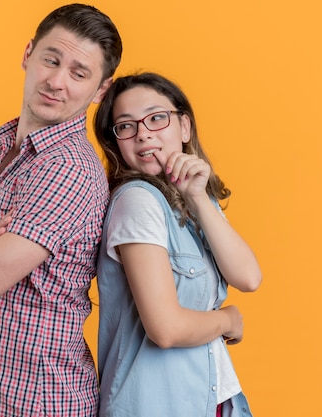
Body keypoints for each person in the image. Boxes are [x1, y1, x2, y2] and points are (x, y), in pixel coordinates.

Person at [0, 4, 122, 417]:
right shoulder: (1, 143)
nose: (56, 81)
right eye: (51, 60)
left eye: (79, 73)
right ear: (28, 54)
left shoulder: (67, 170)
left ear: (101, 90)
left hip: (38, 403)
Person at [93, 72, 262, 417]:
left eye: (157, 118)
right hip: (155, 404)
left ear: (184, 127)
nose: (144, 134)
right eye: (126, 126)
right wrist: (227, 321)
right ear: (116, 143)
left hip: (209, 397)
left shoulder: (191, 200)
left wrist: (199, 198)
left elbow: (248, 277)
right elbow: (166, 329)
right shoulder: (137, 202)